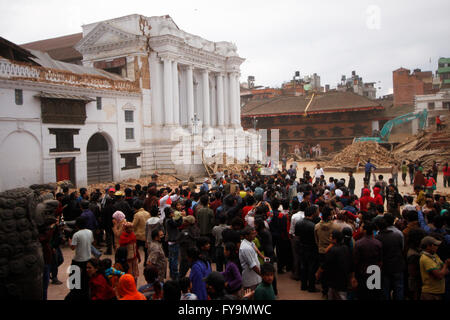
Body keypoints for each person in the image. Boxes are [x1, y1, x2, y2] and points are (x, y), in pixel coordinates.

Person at [315, 230, 353, 300]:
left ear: (335, 239)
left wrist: (318, 273)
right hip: (343, 278)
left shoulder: (332, 250)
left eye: (331, 236)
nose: (329, 238)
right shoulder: (345, 248)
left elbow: (325, 264)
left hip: (334, 279)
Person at [375, 215, 405, 300]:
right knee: (399, 289)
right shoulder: (398, 234)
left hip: (385, 267)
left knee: (385, 289)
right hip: (397, 265)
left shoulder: (377, 237)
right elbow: (402, 248)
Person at [353, 221, 383, 300]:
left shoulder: (358, 243)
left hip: (363, 272)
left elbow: (356, 260)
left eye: (362, 227)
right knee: (374, 295)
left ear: (365, 231)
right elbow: (380, 259)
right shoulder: (378, 243)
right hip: (375, 271)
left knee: (363, 294)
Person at [66, 217, 93, 300]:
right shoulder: (90, 232)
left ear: (77, 225)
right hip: (88, 259)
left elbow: (73, 247)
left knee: (74, 283)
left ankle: (75, 296)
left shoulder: (76, 234)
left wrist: (69, 242)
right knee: (85, 281)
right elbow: (92, 242)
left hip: (78, 260)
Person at [295, 205, 319, 292]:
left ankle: (303, 285)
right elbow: (316, 239)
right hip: (311, 248)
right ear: (313, 213)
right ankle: (311, 287)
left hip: (302, 247)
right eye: (317, 211)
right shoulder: (313, 226)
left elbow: (297, 236)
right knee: (311, 267)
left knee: (303, 266)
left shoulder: (298, 223)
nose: (318, 212)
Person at [419, 236, 450, 300]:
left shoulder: (434, 255)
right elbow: (440, 275)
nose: (437, 247)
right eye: (435, 245)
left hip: (438, 293)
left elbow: (446, 271)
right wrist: (446, 265)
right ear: (428, 246)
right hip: (430, 294)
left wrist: (443, 270)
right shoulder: (425, 258)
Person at [239, 226, 262, 291]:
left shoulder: (250, 242)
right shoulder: (246, 248)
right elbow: (253, 265)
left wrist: (263, 257)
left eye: (254, 233)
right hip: (251, 280)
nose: (255, 235)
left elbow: (255, 248)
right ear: (246, 236)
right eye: (252, 234)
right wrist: (263, 275)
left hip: (255, 278)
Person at [132, 200, 150, 265]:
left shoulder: (137, 215)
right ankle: (146, 262)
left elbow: (133, 225)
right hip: (146, 235)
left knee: (135, 249)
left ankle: (136, 261)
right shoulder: (148, 213)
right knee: (146, 251)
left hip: (138, 235)